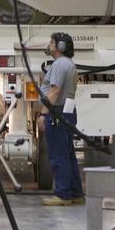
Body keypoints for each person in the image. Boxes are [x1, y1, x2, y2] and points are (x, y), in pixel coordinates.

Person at [38, 32, 83, 206]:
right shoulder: (69, 64)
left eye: (52, 42)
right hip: (68, 111)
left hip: (57, 112)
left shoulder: (59, 65)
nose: (49, 45)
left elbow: (54, 91)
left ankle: (63, 195)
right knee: (68, 154)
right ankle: (75, 192)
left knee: (58, 156)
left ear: (61, 46)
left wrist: (43, 114)